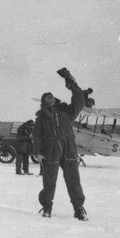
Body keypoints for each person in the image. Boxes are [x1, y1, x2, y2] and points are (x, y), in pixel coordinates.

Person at [33, 68, 87, 220]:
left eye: (51, 96)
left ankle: (79, 208)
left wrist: (72, 83)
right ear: (43, 102)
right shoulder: (41, 119)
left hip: (69, 150)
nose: (49, 97)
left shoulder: (66, 113)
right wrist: (38, 152)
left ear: (54, 99)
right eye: (46, 97)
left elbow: (80, 102)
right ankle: (47, 207)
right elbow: (36, 136)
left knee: (73, 180)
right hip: (50, 152)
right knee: (49, 181)